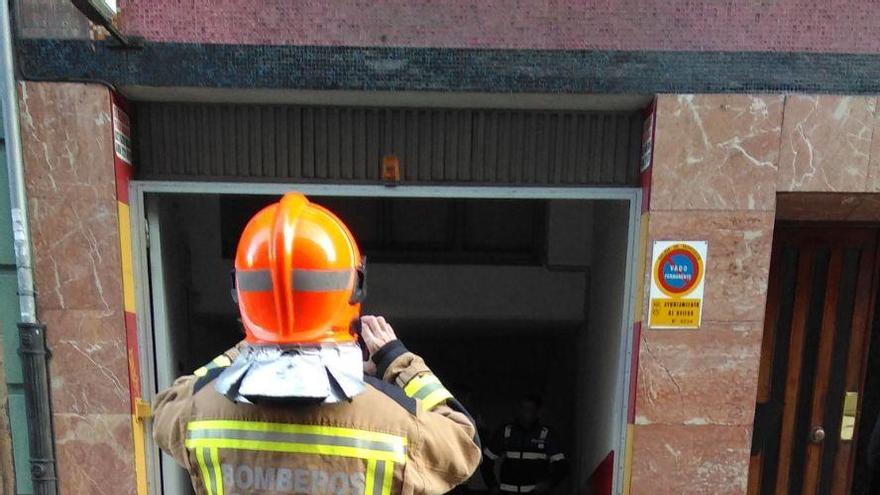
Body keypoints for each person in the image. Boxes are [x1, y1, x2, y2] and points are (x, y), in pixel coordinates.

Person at [152, 192, 481, 495]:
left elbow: (170, 401)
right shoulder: (393, 419)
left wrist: (252, 342)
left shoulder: (198, 413)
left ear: (241, 294)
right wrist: (396, 360)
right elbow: (464, 444)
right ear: (356, 285)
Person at [482, 395, 568, 495]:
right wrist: (492, 485)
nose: (526, 412)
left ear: (537, 412)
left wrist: (549, 483)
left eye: (530, 409)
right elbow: (486, 460)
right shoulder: (507, 432)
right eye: (523, 408)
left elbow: (561, 465)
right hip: (508, 491)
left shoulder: (545, 434)